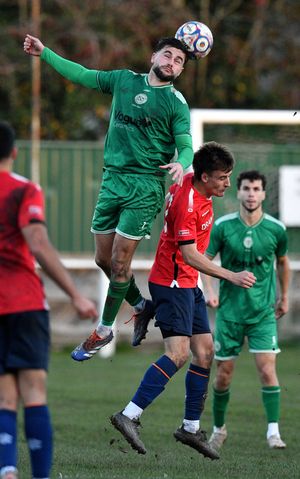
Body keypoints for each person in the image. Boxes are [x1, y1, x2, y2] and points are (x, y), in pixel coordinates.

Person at [23, 33, 194, 360]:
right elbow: (82, 75)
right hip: (112, 180)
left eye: (179, 61)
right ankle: (142, 306)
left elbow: (185, 144)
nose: (172, 63)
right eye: (168, 56)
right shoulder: (123, 80)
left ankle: (103, 329)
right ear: (153, 57)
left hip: (145, 187)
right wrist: (45, 53)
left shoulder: (176, 103)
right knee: (102, 259)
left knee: (118, 262)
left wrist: (182, 162)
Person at [110, 142, 256, 459]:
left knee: (204, 352)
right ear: (204, 177)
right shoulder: (188, 202)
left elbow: (183, 150)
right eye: (222, 177)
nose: (227, 183)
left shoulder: (195, 184)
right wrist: (230, 275)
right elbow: (189, 254)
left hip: (187, 284)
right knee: (178, 355)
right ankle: (129, 414)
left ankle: (190, 429)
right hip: (171, 283)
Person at [0, 121, 98, 479]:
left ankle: (7, 469)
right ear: (14, 151)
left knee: (4, 398)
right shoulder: (24, 190)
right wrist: (75, 294)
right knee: (34, 392)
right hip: (23, 303)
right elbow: (37, 242)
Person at [201, 170, 289, 451]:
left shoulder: (276, 229)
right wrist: (210, 291)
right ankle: (218, 429)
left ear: (264, 194)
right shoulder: (223, 226)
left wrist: (284, 296)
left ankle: (273, 433)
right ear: (238, 192)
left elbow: (283, 263)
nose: (251, 194)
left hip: (263, 314)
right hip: (229, 314)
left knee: (267, 370)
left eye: (256, 189)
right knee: (224, 375)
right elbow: (204, 260)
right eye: (247, 189)